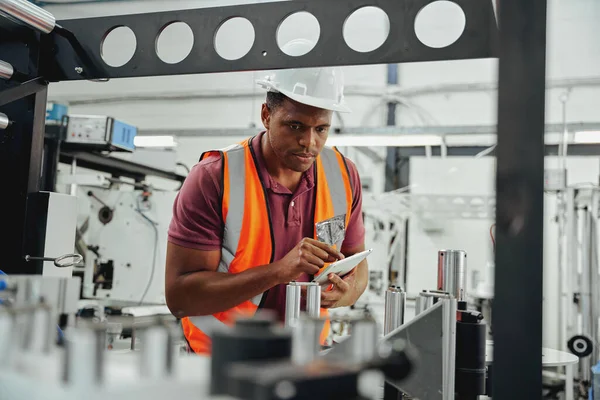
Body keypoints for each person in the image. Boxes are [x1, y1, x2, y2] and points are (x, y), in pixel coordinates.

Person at [165, 39, 368, 355]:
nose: (308, 142)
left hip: (307, 355)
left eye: (322, 129)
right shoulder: (214, 177)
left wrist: (342, 294)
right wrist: (279, 272)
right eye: (294, 125)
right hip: (222, 359)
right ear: (265, 115)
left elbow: (358, 268)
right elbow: (180, 297)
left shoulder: (344, 175)